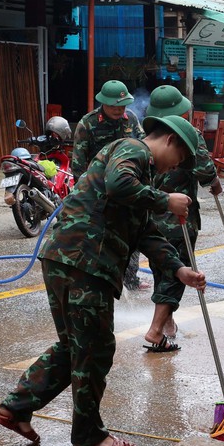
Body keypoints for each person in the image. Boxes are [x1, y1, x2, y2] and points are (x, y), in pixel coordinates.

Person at [0, 115, 205, 446]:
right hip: (84, 262)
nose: (175, 168)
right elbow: (117, 185)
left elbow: (146, 233)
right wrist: (166, 200)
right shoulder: (133, 150)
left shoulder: (143, 172)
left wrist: (179, 270)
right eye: (179, 158)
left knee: (74, 345)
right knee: (95, 350)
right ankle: (89, 435)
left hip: (68, 258)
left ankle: (16, 408)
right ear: (168, 142)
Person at [140, 86, 220, 353]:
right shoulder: (188, 135)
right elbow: (204, 170)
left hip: (150, 213)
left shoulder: (144, 135)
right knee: (177, 269)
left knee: (160, 265)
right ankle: (156, 328)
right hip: (178, 214)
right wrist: (214, 182)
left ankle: (167, 320)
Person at [71, 79, 146, 291]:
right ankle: (96, 279)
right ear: (103, 103)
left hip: (126, 183)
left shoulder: (130, 119)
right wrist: (84, 192)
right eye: (113, 105)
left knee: (131, 231)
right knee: (97, 234)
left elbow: (143, 143)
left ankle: (131, 280)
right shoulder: (88, 123)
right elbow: (79, 162)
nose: (118, 110)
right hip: (98, 187)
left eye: (122, 105)